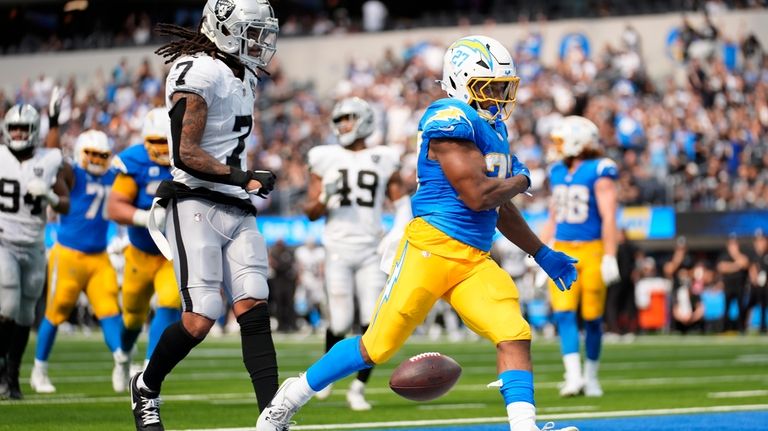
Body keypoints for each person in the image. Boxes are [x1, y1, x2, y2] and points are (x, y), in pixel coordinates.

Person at [257, 35, 579, 431]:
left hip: (474, 258)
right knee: (376, 346)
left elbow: (498, 207)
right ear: (460, 81)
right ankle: (289, 397)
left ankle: (524, 426)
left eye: (501, 86)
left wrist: (542, 253)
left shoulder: (493, 128)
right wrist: (522, 178)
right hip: (432, 248)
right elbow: (478, 196)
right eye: (488, 85)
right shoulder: (448, 116)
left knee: (513, 331)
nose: (497, 95)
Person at [128, 0, 279, 429]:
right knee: (200, 316)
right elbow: (185, 152)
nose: (260, 41)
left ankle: (273, 415)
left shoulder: (242, 74)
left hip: (234, 203)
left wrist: (241, 181)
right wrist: (244, 176)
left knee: (254, 305)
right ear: (224, 28)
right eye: (252, 31)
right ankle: (145, 387)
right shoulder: (198, 70)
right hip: (194, 199)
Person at [303, 96, 406, 411]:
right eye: (340, 120)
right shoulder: (324, 157)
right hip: (337, 248)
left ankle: (358, 389)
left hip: (371, 249)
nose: (343, 126)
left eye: (348, 118)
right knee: (340, 320)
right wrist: (324, 197)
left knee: (371, 322)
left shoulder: (384, 157)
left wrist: (397, 232)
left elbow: (402, 204)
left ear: (363, 120)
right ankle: (327, 376)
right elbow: (310, 211)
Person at [30, 129, 124, 394]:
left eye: (101, 155)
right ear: (80, 154)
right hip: (68, 254)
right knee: (56, 311)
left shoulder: (113, 175)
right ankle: (39, 369)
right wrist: (55, 124)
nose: (95, 160)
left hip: (99, 256)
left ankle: (121, 361)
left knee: (109, 311)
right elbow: (52, 158)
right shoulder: (73, 173)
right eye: (91, 154)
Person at [540, 115, 619, 398]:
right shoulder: (557, 172)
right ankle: (573, 376)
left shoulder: (600, 169)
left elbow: (609, 215)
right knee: (563, 313)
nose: (556, 146)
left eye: (561, 141)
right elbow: (553, 216)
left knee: (593, 318)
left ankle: (591, 376)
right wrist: (539, 252)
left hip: (593, 248)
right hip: (562, 248)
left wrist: (610, 255)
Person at [0, 104, 70, 400]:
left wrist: (51, 196)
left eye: (23, 128)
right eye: (13, 128)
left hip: (34, 244)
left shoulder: (49, 159)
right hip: (4, 240)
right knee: (9, 303)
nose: (17, 133)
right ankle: (1, 370)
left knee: (27, 314)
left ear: (33, 132)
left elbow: (65, 203)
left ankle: (12, 375)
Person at [107, 107, 181, 381]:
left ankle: (150, 368)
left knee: (170, 301)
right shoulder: (134, 161)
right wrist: (146, 217)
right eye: (156, 142)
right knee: (132, 318)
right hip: (140, 252)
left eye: (166, 141)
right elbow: (114, 207)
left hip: (171, 253)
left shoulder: (189, 157)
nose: (161, 148)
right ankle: (124, 355)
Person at [717, 234, 750, 333]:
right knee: (726, 308)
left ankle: (741, 328)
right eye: (731, 244)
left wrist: (736, 254)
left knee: (741, 308)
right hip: (728, 286)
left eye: (735, 244)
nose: (733, 246)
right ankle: (724, 328)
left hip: (740, 286)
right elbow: (722, 267)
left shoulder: (742, 254)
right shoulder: (724, 255)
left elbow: (745, 263)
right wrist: (736, 266)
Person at [748, 229, 767, 334]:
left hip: (766, 287)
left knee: (764, 306)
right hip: (755, 287)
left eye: (762, 240)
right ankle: (746, 326)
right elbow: (752, 268)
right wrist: (754, 276)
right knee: (750, 305)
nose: (760, 243)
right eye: (758, 241)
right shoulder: (753, 255)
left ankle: (763, 326)